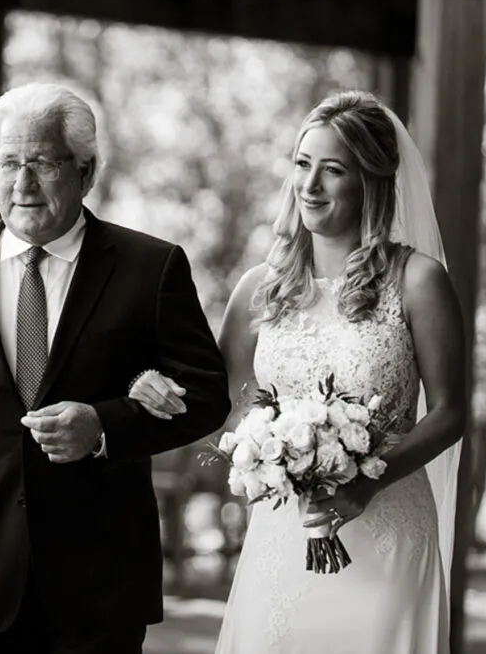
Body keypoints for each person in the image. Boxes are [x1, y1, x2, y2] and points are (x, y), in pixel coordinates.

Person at [0, 82, 231, 654]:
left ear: (86, 171)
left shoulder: (149, 268)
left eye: (43, 163)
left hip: (101, 577)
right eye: (8, 162)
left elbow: (207, 394)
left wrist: (105, 427)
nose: (22, 182)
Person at [128, 90, 467, 653]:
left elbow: (451, 412)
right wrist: (153, 387)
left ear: (373, 182)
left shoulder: (419, 282)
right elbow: (228, 406)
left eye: (332, 170)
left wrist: (368, 482)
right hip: (283, 531)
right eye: (302, 165)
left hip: (388, 533)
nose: (309, 186)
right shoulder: (258, 290)